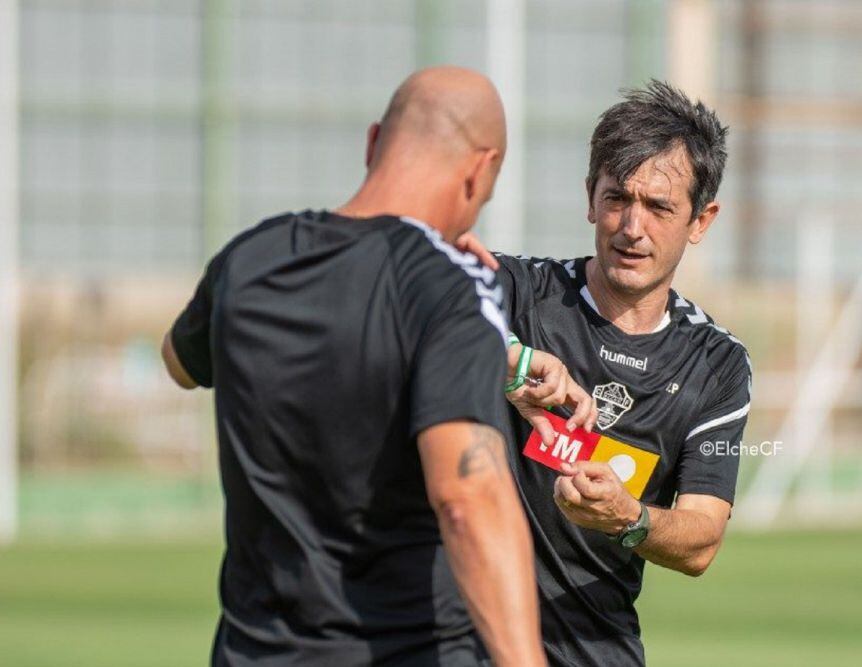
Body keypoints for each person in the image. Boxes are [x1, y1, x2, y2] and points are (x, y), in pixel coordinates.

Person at [160, 67, 588, 667]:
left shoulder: (248, 260)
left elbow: (179, 362)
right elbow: (468, 498)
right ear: (480, 170)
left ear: (372, 143)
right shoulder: (447, 285)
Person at [465, 80, 752, 666]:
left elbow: (701, 540)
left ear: (701, 220)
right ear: (590, 199)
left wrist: (630, 517)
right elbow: (398, 312)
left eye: (659, 207)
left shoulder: (716, 363)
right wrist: (511, 361)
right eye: (618, 198)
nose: (632, 227)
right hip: (459, 639)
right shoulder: (516, 291)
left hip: (593, 646)